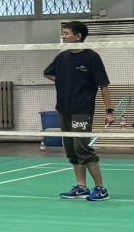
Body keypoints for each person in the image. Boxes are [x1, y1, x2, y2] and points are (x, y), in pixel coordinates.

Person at [45, 21, 117, 201]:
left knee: (82, 148)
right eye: (63, 33)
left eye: (66, 33)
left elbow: (103, 85)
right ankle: (81, 187)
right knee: (71, 150)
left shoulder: (91, 57)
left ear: (78, 36)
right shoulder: (62, 57)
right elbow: (47, 73)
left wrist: (109, 111)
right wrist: (65, 80)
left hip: (82, 111)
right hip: (63, 110)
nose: (63, 36)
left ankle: (100, 188)